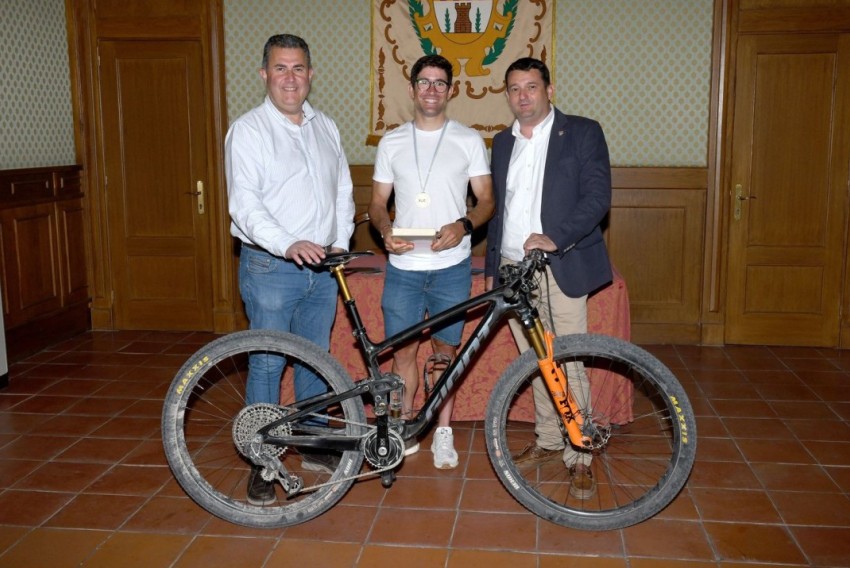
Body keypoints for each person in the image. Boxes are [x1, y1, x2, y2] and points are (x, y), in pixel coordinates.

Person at [225, 34, 355, 504]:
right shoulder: (249, 131)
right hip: (271, 267)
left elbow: (341, 189)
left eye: (298, 68)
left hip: (321, 267)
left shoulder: (327, 127)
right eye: (280, 68)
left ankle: (314, 443)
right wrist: (288, 243)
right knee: (267, 362)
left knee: (314, 356)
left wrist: (338, 242)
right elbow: (245, 206)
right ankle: (263, 459)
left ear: (311, 75)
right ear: (264, 75)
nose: (290, 78)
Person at [484, 57, 612, 499]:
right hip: (513, 270)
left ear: (549, 90)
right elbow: (500, 211)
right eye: (515, 88)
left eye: (531, 87)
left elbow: (597, 197)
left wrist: (554, 238)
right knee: (534, 360)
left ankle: (581, 453)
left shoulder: (582, 131)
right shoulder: (501, 143)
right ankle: (548, 440)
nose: (523, 95)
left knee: (567, 360)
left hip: (560, 265)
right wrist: (491, 270)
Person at [369, 54, 494, 469]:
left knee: (444, 354)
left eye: (440, 83)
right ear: (411, 88)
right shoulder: (392, 142)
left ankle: (442, 432)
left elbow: (488, 201)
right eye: (424, 82)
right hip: (404, 269)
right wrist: (385, 231)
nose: (432, 90)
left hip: (451, 266)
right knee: (403, 356)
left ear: (451, 90)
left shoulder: (468, 139)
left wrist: (464, 225)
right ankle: (406, 427)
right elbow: (376, 204)